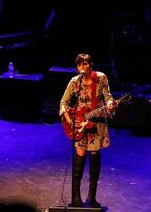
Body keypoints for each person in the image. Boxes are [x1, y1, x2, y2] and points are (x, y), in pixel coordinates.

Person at [59, 53, 117, 208]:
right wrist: (71, 120)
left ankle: (92, 197)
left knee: (94, 155)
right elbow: (64, 102)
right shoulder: (75, 82)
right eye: (79, 65)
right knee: (80, 155)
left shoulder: (101, 78)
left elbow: (108, 97)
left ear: (91, 65)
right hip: (80, 123)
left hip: (96, 123)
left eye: (85, 64)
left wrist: (111, 103)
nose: (82, 67)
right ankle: (76, 198)